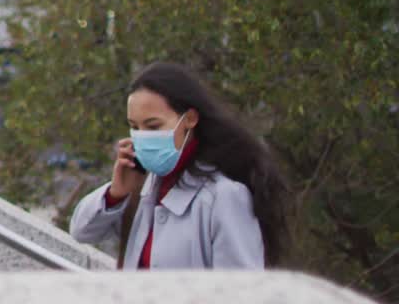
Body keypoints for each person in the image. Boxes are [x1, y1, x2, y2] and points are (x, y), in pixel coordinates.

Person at [70, 62, 289, 269]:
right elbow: (82, 231)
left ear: (189, 119)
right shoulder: (144, 186)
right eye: (134, 127)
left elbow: (240, 291)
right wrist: (115, 194)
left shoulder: (224, 196)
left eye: (153, 126)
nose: (143, 137)